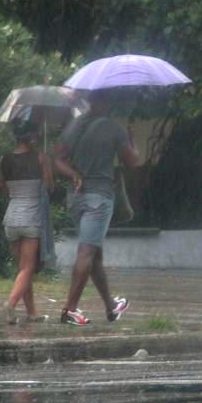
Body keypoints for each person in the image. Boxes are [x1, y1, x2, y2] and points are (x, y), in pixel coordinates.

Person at [54, 90, 141, 326]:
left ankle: (111, 307)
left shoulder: (75, 126)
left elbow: (57, 159)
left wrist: (74, 174)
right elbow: (133, 162)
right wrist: (131, 139)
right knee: (87, 254)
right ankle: (69, 310)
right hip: (99, 199)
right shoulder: (114, 128)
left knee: (95, 255)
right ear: (106, 101)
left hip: (76, 198)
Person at [0, 114, 54, 324]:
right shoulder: (40, 157)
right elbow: (50, 187)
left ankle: (32, 313)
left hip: (11, 219)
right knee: (28, 268)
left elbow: (3, 188)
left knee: (23, 267)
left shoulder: (4, 159)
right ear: (30, 136)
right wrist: (46, 169)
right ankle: (10, 304)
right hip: (31, 219)